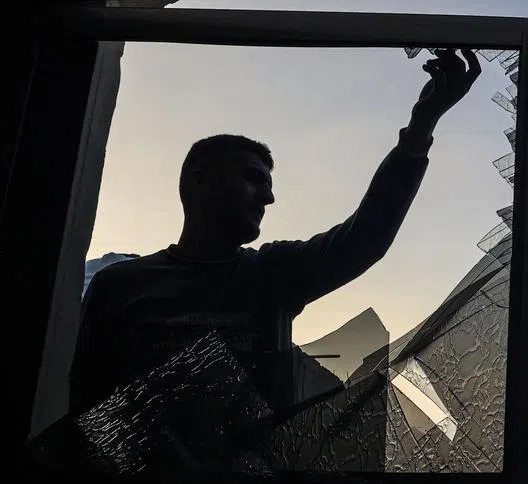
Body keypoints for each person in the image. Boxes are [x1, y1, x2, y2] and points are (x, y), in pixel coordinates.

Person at [69, 49, 482, 418]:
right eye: (253, 179)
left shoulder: (274, 272)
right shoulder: (118, 286)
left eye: (268, 185)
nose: (268, 197)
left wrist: (421, 125)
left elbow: (365, 238)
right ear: (198, 180)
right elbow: (87, 411)